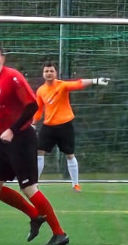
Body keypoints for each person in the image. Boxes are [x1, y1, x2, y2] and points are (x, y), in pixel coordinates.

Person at [0, 45, 69, 245]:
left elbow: (32, 105)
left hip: (23, 137)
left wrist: (13, 129)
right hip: (5, 139)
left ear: (3, 58)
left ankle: (60, 233)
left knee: (28, 187)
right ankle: (35, 215)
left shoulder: (13, 77)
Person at [34, 62, 110, 191]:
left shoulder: (62, 86)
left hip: (65, 126)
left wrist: (96, 80)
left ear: (55, 73)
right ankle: (34, 183)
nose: (49, 73)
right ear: (43, 74)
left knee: (69, 154)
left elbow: (78, 83)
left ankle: (75, 184)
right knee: (39, 153)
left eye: (51, 71)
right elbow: (39, 110)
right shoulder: (41, 90)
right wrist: (33, 123)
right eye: (46, 71)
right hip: (48, 127)